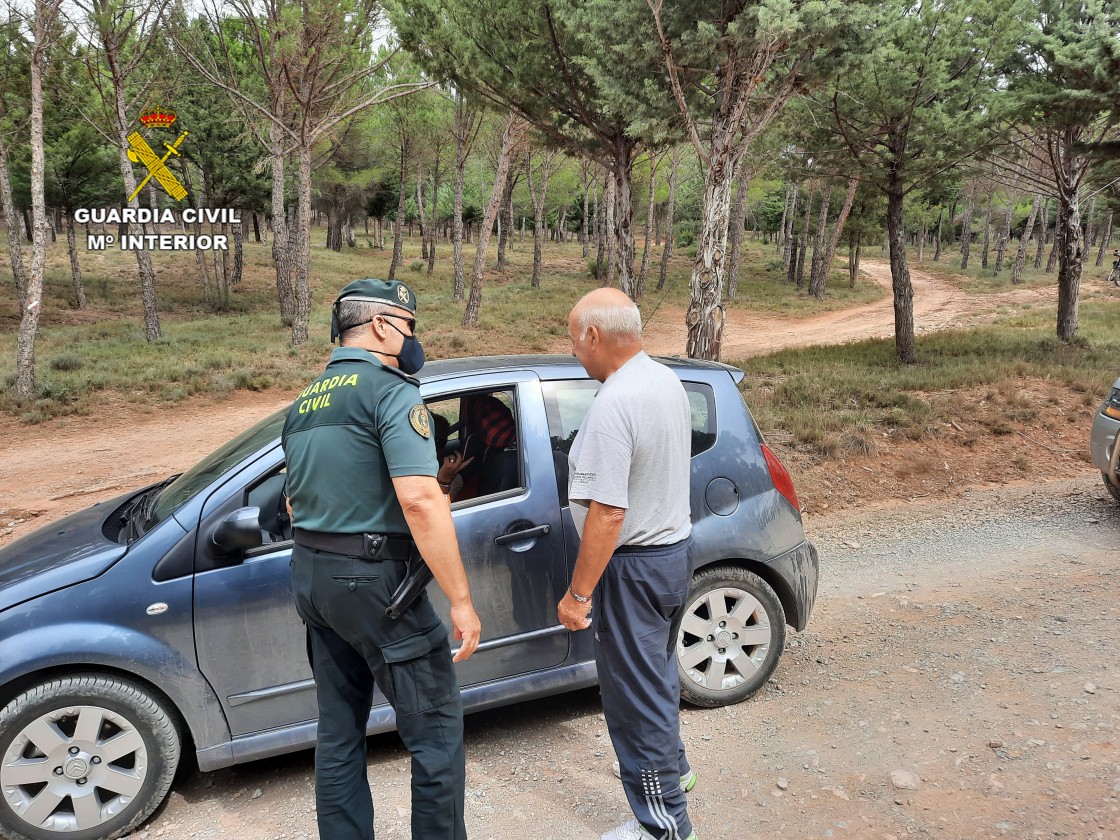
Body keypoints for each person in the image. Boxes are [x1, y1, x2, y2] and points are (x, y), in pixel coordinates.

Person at [282, 278, 481, 840]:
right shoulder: (391, 390)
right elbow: (419, 501)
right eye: (409, 325)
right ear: (381, 325)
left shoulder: (305, 401)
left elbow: (296, 503)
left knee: (339, 732)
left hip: (314, 579)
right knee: (437, 734)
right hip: (375, 586)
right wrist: (461, 601)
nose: (413, 337)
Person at [556, 288, 699, 840]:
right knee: (656, 682)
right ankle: (676, 774)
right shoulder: (662, 380)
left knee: (633, 704)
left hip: (633, 569)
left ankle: (664, 827)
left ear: (594, 335)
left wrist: (579, 594)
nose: (574, 353)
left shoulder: (616, 402)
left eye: (574, 341)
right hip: (670, 557)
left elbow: (608, 512)